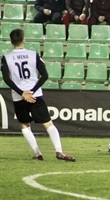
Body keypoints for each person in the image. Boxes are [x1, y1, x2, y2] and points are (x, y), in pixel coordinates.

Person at [0, 29, 76, 162]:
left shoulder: (6, 57)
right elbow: (45, 75)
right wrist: (32, 91)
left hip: (19, 97)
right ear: (24, 40)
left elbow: (7, 79)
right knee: (48, 124)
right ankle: (59, 151)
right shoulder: (33, 54)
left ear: (11, 41)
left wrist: (22, 93)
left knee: (24, 126)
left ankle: (38, 154)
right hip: (35, 96)